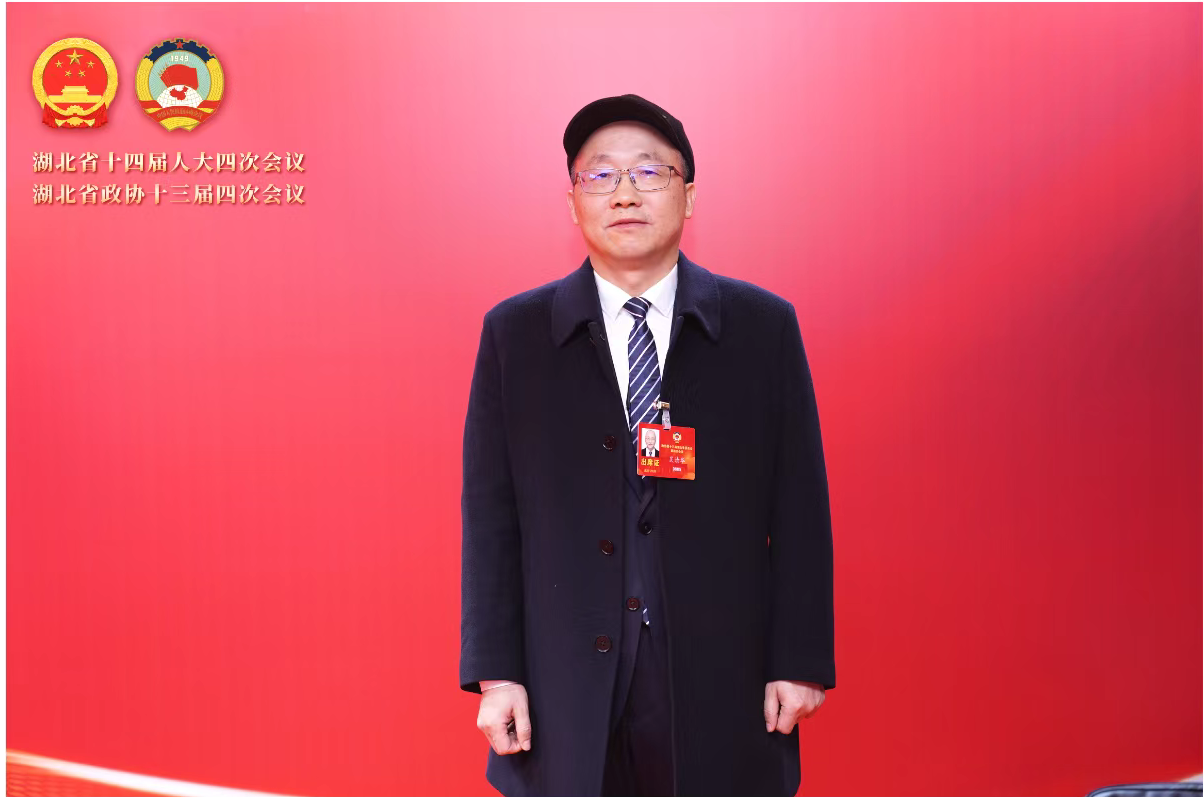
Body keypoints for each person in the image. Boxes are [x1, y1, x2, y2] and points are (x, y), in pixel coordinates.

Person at [460, 93, 835, 797]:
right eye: (600, 175)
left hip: (720, 669)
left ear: (688, 196)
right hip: (564, 678)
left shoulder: (762, 328)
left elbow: (800, 507)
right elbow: (491, 519)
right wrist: (497, 673)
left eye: (649, 172)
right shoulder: (516, 335)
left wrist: (800, 658)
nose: (624, 193)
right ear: (573, 202)